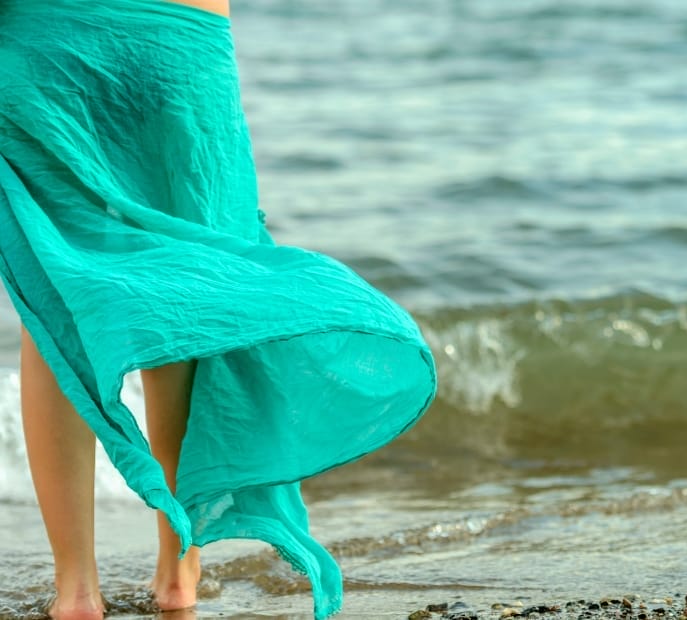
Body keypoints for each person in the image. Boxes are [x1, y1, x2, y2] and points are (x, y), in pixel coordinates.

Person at [0, 1, 437, 619]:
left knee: (56, 299)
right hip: (181, 38)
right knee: (188, 294)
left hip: (44, 39)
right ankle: (178, 572)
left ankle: (76, 592)